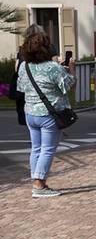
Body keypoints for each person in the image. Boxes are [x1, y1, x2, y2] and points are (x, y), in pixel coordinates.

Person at [17, 32, 75, 198]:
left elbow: (21, 87)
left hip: (30, 113)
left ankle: (36, 181)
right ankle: (39, 185)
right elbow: (69, 86)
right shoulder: (52, 67)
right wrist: (71, 70)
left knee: (36, 148)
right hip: (50, 114)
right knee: (48, 149)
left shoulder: (24, 66)